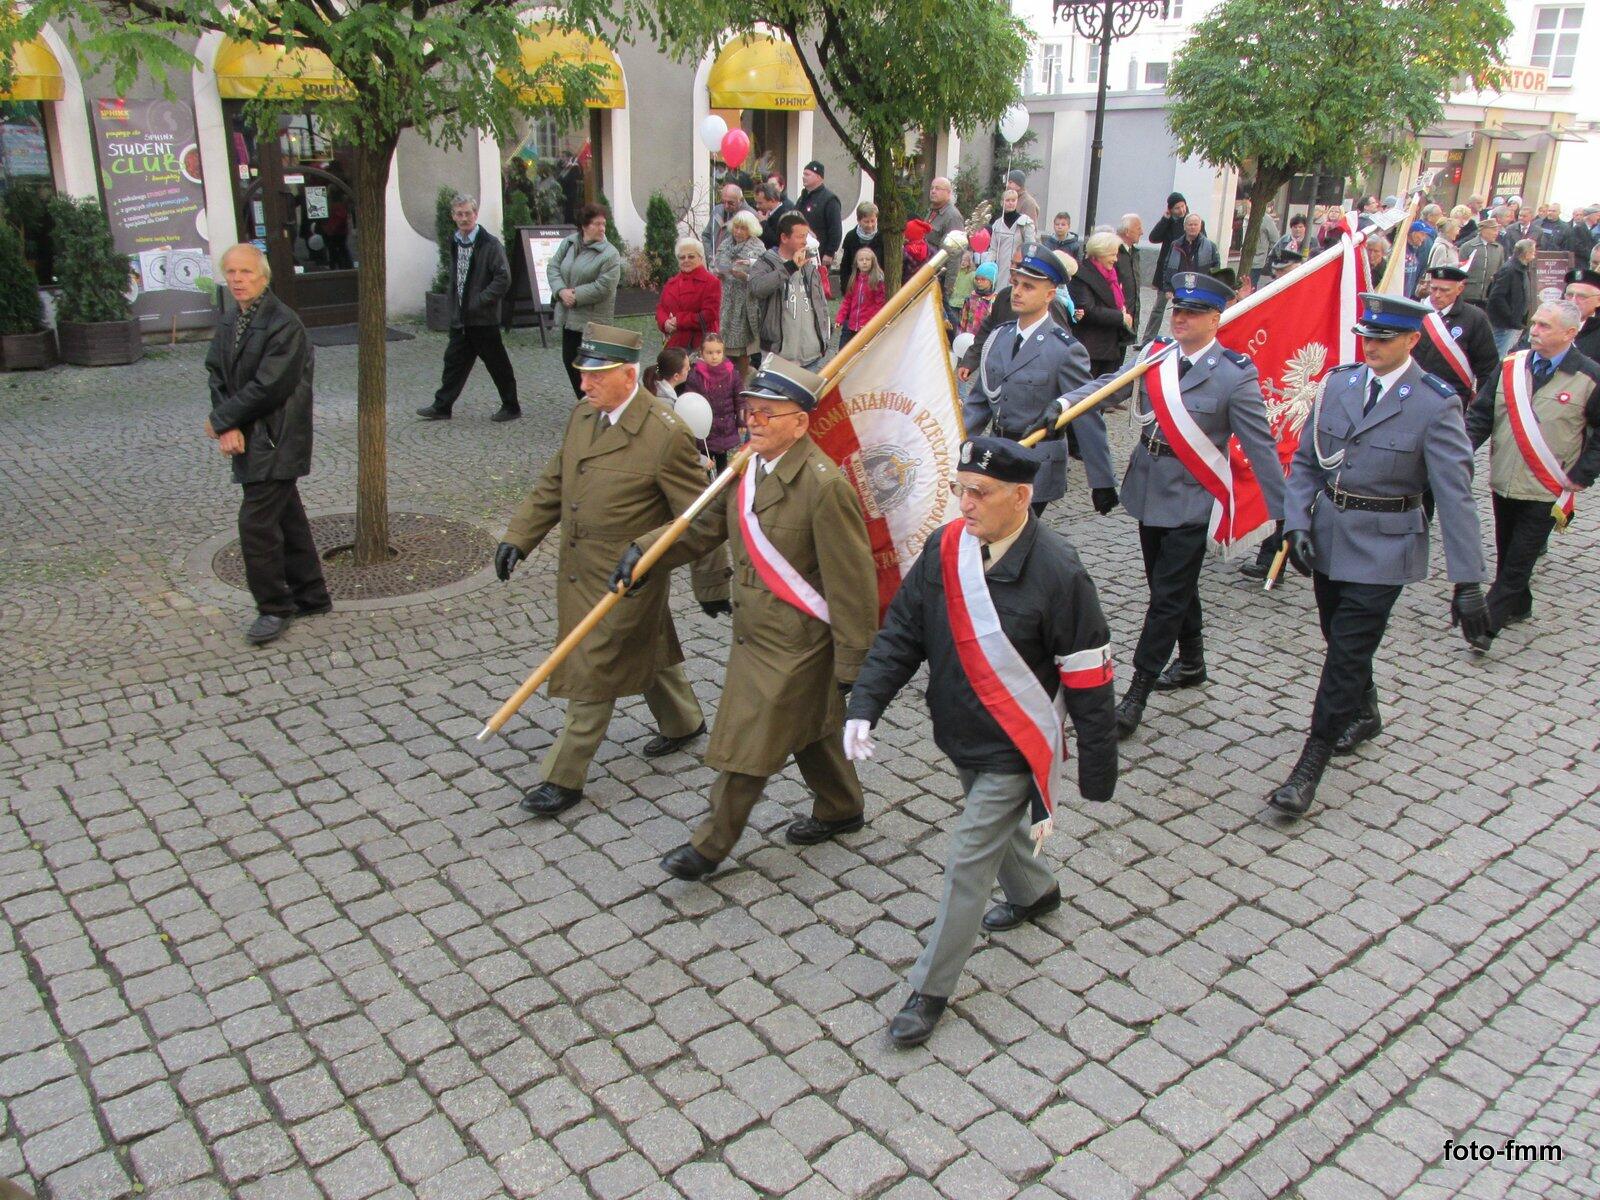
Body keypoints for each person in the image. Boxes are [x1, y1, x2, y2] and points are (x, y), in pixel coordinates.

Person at [843, 436, 1117, 1046]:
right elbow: (903, 632)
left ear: (1021, 497)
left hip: (1014, 748)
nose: (964, 504)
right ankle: (1035, 892)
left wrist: (1098, 769)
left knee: (968, 858)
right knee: (994, 832)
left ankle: (929, 989)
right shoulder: (946, 548)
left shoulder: (1060, 569)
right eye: (959, 489)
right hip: (959, 728)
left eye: (979, 492)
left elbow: (1088, 675)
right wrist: (864, 704)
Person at [611, 357, 879, 881]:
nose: (752, 421)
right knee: (811, 726)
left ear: (800, 423)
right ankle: (841, 806)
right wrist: (645, 551)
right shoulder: (748, 467)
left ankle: (709, 845)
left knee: (750, 743)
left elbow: (853, 584)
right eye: (749, 411)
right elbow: (703, 524)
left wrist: (855, 663)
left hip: (799, 643)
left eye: (766, 413)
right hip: (754, 634)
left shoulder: (824, 487)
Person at [1269, 294, 1487, 817]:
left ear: (1412, 340)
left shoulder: (1435, 403)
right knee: (1339, 638)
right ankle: (1365, 711)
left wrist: (1468, 581)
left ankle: (1309, 766)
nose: (1371, 346)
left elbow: (1455, 495)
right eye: (1367, 336)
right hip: (1330, 537)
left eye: (1384, 338)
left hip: (1387, 546)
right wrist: (1296, 523)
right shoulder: (1338, 384)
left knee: (1344, 654)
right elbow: (1306, 463)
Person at [494, 324, 720, 818]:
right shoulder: (583, 415)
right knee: (646, 645)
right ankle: (683, 722)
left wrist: (706, 581)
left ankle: (563, 777)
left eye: (595, 376)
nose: (584, 384)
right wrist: (519, 536)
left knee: (593, 666)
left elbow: (700, 518)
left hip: (628, 580)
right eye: (582, 375)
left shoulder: (664, 433)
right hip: (578, 571)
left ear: (628, 375)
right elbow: (555, 481)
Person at [1094, 272, 1286, 737]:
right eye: (1178, 310)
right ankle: (1193, 661)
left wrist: (1285, 515)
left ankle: (1137, 692)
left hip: (1193, 496)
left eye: (1193, 313)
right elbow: (1109, 386)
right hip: (1149, 487)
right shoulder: (1157, 355)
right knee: (1170, 585)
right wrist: (1064, 405)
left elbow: (1260, 447)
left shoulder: (1234, 374)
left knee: (1165, 597)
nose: (1180, 318)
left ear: (1215, 319)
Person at [206, 243, 330, 646]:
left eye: (246, 272)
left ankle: (274, 607)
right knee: (286, 516)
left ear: (264, 276)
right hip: (253, 436)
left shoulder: (283, 323)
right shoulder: (232, 319)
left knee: (256, 526)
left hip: (278, 437)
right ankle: (311, 594)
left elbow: (269, 387)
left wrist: (224, 420)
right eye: (231, 272)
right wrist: (227, 424)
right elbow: (217, 375)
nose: (238, 279)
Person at [1464, 300, 1600, 646]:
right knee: (1507, 549)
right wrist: (1461, 452)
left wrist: (1584, 472)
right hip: (1504, 478)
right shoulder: (1511, 365)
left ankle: (1486, 626)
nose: (1534, 331)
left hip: (1548, 486)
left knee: (1519, 559)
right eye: (1534, 323)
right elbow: (1481, 414)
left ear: (1570, 333)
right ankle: (1519, 604)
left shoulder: (1589, 377)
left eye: (1544, 326)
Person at [963, 245, 1118, 517]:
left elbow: (1085, 411)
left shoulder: (1064, 349)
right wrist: (953, 445)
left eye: (1029, 287)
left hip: (1037, 463)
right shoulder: (999, 338)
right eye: (1015, 283)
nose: (1017, 292)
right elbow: (979, 402)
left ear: (1049, 295)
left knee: (1014, 534)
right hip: (998, 457)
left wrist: (1101, 479)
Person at [415, 195, 519, 423]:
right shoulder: (455, 241)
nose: (464, 218)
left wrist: (480, 300)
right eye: (459, 214)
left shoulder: (490, 244)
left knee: (497, 363)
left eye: (468, 213)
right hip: (461, 317)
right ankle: (442, 406)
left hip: (483, 317)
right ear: (453, 216)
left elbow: (503, 278)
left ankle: (511, 406)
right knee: (453, 362)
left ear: (475, 214)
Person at [546, 203, 623, 398]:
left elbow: (604, 286)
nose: (602, 228)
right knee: (570, 361)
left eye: (604, 224)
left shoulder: (610, 254)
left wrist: (574, 295)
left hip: (593, 321)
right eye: (597, 224)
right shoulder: (569, 243)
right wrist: (560, 291)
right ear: (584, 225)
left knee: (592, 368)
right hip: (569, 317)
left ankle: (597, 403)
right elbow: (553, 267)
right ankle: (586, 403)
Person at [1408, 264, 1499, 411]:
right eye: (1433, 288)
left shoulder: (1475, 318)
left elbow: (1487, 368)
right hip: (1412, 392)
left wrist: (1481, 407)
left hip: (1452, 398)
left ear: (1460, 289)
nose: (1437, 295)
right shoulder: (1414, 313)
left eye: (1445, 290)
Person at [749, 211, 831, 369]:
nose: (805, 241)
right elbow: (757, 288)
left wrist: (824, 336)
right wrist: (789, 267)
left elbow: (821, 304)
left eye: (806, 236)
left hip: (812, 358)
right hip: (778, 358)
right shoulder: (765, 262)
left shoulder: (809, 266)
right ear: (784, 238)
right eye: (800, 236)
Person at [1069, 231, 1135, 378]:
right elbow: (1088, 310)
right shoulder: (1082, 275)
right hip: (1092, 349)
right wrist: (1120, 317)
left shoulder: (1111, 274)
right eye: (1112, 255)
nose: (1116, 259)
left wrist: (1123, 310)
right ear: (1100, 253)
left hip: (1110, 346)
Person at [712, 210, 767, 377]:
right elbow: (715, 263)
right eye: (736, 227)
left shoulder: (758, 248)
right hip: (726, 301)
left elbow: (763, 277)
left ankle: (741, 381)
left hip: (745, 302)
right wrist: (718, 272)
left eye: (743, 228)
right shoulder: (725, 244)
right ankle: (726, 380)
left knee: (742, 350)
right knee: (724, 348)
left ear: (751, 229)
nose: (738, 231)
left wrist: (746, 276)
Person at [688, 333, 743, 471]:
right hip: (705, 429)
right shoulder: (696, 376)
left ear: (723, 352)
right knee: (704, 462)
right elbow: (690, 401)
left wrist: (741, 420)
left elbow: (740, 399)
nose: (714, 356)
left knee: (722, 461)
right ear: (702, 353)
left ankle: (722, 483)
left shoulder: (732, 373)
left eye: (718, 352)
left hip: (725, 426)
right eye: (710, 353)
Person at [656, 237, 721, 352]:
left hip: (701, 346)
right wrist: (665, 323)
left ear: (700, 258)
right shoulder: (671, 283)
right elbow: (661, 308)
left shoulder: (711, 282)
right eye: (682, 257)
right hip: (674, 344)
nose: (686, 260)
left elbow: (709, 314)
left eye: (691, 256)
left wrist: (679, 320)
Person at [1142, 193, 1190, 342]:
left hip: (1184, 272)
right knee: (1158, 308)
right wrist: (1165, 219)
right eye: (1177, 208)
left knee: (1184, 308)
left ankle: (1182, 340)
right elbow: (1153, 237)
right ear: (1170, 209)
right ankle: (1148, 340)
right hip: (1167, 272)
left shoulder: (1191, 222)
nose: (1181, 210)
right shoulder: (1168, 223)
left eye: (1183, 206)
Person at [1487, 238, 1538, 356]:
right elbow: (1496, 296)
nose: (1534, 255)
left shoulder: (1520, 269)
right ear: (1526, 254)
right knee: (1499, 354)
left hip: (1512, 322)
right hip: (1504, 323)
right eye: (1533, 252)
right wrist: (1511, 317)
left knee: (1505, 352)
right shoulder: (1510, 270)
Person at [794, 161, 842, 275]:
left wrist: (829, 253)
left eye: (807, 174)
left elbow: (835, 229)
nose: (803, 177)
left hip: (820, 253)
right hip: (801, 251)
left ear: (819, 177)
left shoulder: (829, 199)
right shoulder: (802, 198)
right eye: (803, 174)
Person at [836, 246, 886, 351]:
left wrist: (871, 323)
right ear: (856, 263)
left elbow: (879, 305)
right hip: (852, 324)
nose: (864, 262)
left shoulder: (877, 281)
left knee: (863, 353)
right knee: (844, 350)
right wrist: (840, 318)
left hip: (866, 326)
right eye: (861, 260)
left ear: (873, 262)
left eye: (867, 260)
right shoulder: (854, 279)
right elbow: (847, 301)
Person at [987, 187, 1037, 291]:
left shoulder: (1025, 222)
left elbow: (1031, 247)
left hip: (1018, 267)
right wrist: (987, 266)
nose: (1010, 203)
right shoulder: (997, 224)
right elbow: (993, 249)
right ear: (1002, 202)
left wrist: (1027, 267)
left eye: (1013, 200)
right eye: (1008, 200)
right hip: (1000, 267)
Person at [926, 176, 965, 306]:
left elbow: (955, 254)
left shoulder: (952, 216)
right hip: (927, 273)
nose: (933, 191)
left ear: (948, 193)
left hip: (940, 278)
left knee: (942, 312)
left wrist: (948, 287)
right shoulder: (932, 211)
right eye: (932, 188)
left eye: (938, 188)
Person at [1458, 217, 1506, 310]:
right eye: (1493, 230)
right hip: (1468, 294)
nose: (1496, 233)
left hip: (1488, 296)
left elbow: (1500, 271)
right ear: (1483, 231)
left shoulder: (1499, 249)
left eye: (1497, 230)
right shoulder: (1467, 247)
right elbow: (1459, 271)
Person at [1164, 213, 1220, 291]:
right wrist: (1168, 289)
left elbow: (1216, 269)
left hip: (1201, 290)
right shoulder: (1175, 245)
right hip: (1179, 288)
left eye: (1195, 225)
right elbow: (1167, 268)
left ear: (1200, 227)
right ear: (1184, 227)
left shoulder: (1210, 246)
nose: (1193, 227)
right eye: (1190, 225)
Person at [702, 182, 755, 262]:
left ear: (741, 200)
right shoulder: (717, 210)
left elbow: (753, 246)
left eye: (731, 203)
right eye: (723, 202)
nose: (726, 206)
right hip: (714, 263)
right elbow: (706, 235)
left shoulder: (751, 216)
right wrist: (710, 256)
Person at [839, 201, 883, 295]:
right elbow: (845, 266)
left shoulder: (882, 237)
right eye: (866, 221)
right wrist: (846, 288)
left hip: (877, 286)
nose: (870, 225)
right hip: (856, 286)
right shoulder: (851, 237)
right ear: (859, 220)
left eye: (873, 221)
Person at [1115, 214, 1144, 333]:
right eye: (1138, 228)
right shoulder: (1114, 252)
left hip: (1131, 314)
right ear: (1127, 232)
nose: (1142, 232)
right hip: (1117, 316)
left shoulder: (1134, 252)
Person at [1564, 267, 1600, 359]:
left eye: (1582, 296)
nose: (1573, 301)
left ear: (1598, 301)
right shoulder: (1548, 324)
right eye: (1569, 295)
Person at [754, 181, 795, 250]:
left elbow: (777, 242)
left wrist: (763, 223)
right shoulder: (766, 213)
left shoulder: (785, 216)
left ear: (772, 201)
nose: (757, 206)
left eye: (760, 203)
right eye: (756, 203)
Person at [960, 262, 998, 333]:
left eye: (983, 279)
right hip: (969, 336)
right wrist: (961, 335)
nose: (979, 282)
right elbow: (963, 320)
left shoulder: (996, 301)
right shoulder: (971, 298)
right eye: (977, 279)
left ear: (991, 281)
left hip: (984, 337)